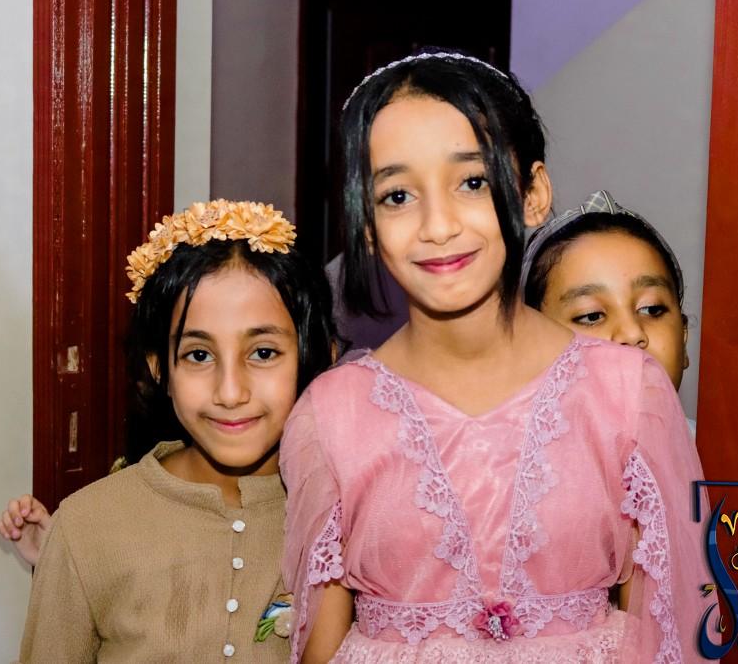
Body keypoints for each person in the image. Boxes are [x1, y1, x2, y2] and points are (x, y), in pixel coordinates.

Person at [281, 52, 712, 662]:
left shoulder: (626, 392)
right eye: (397, 195)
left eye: (472, 182)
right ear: (367, 226)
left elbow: (670, 625)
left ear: (533, 193)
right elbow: (318, 643)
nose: (437, 225)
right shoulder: (329, 417)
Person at [16, 200, 336, 662]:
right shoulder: (86, 526)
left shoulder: (340, 518)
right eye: (198, 355)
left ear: (313, 357)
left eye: (263, 353)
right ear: (159, 369)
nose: (231, 392)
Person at [521, 189, 697, 436]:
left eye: (651, 309)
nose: (632, 333)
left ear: (684, 339)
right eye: (592, 316)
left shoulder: (724, 452)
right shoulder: (504, 458)